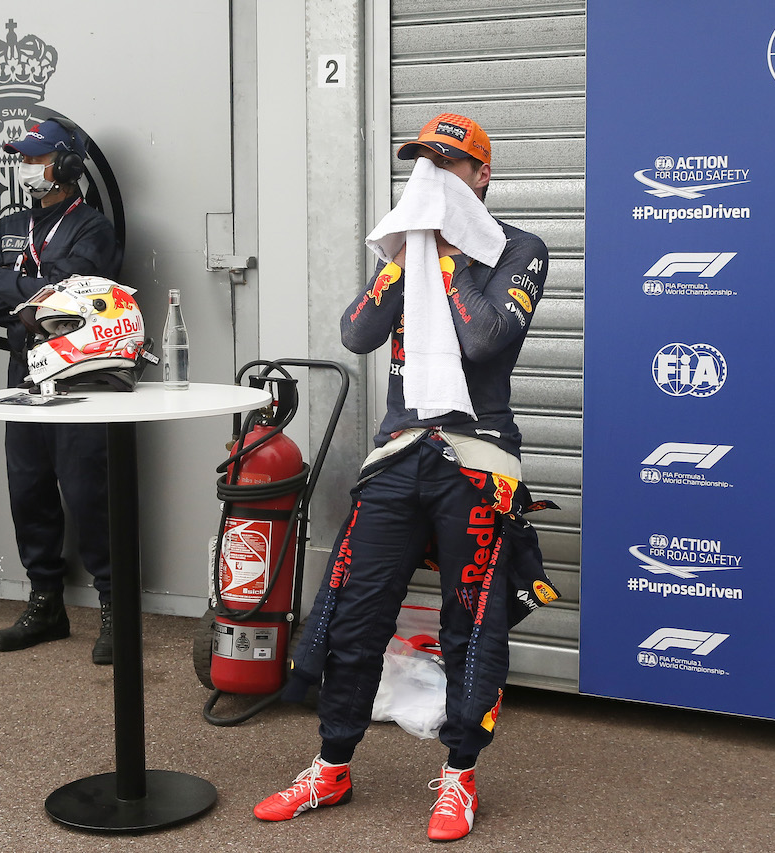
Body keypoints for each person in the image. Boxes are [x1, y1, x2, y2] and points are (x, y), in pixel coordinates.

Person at [255, 113, 555, 842]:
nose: (432, 178)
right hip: (397, 455)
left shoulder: (519, 248)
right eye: (422, 165)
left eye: (447, 166)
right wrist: (406, 257)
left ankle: (459, 776)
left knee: (470, 625)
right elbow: (356, 332)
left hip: (478, 461)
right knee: (355, 615)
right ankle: (331, 764)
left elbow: (486, 338)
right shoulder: (404, 247)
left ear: (482, 176)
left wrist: (447, 255)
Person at [0, 119, 123, 665]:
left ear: (68, 166)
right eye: (22, 157)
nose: (25, 166)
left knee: (88, 492)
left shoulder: (93, 229)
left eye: (36, 157)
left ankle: (114, 610)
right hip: (25, 371)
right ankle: (46, 604)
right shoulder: (10, 224)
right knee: (28, 486)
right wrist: (34, 290)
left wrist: (19, 287)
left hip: (83, 375)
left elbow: (74, 301)